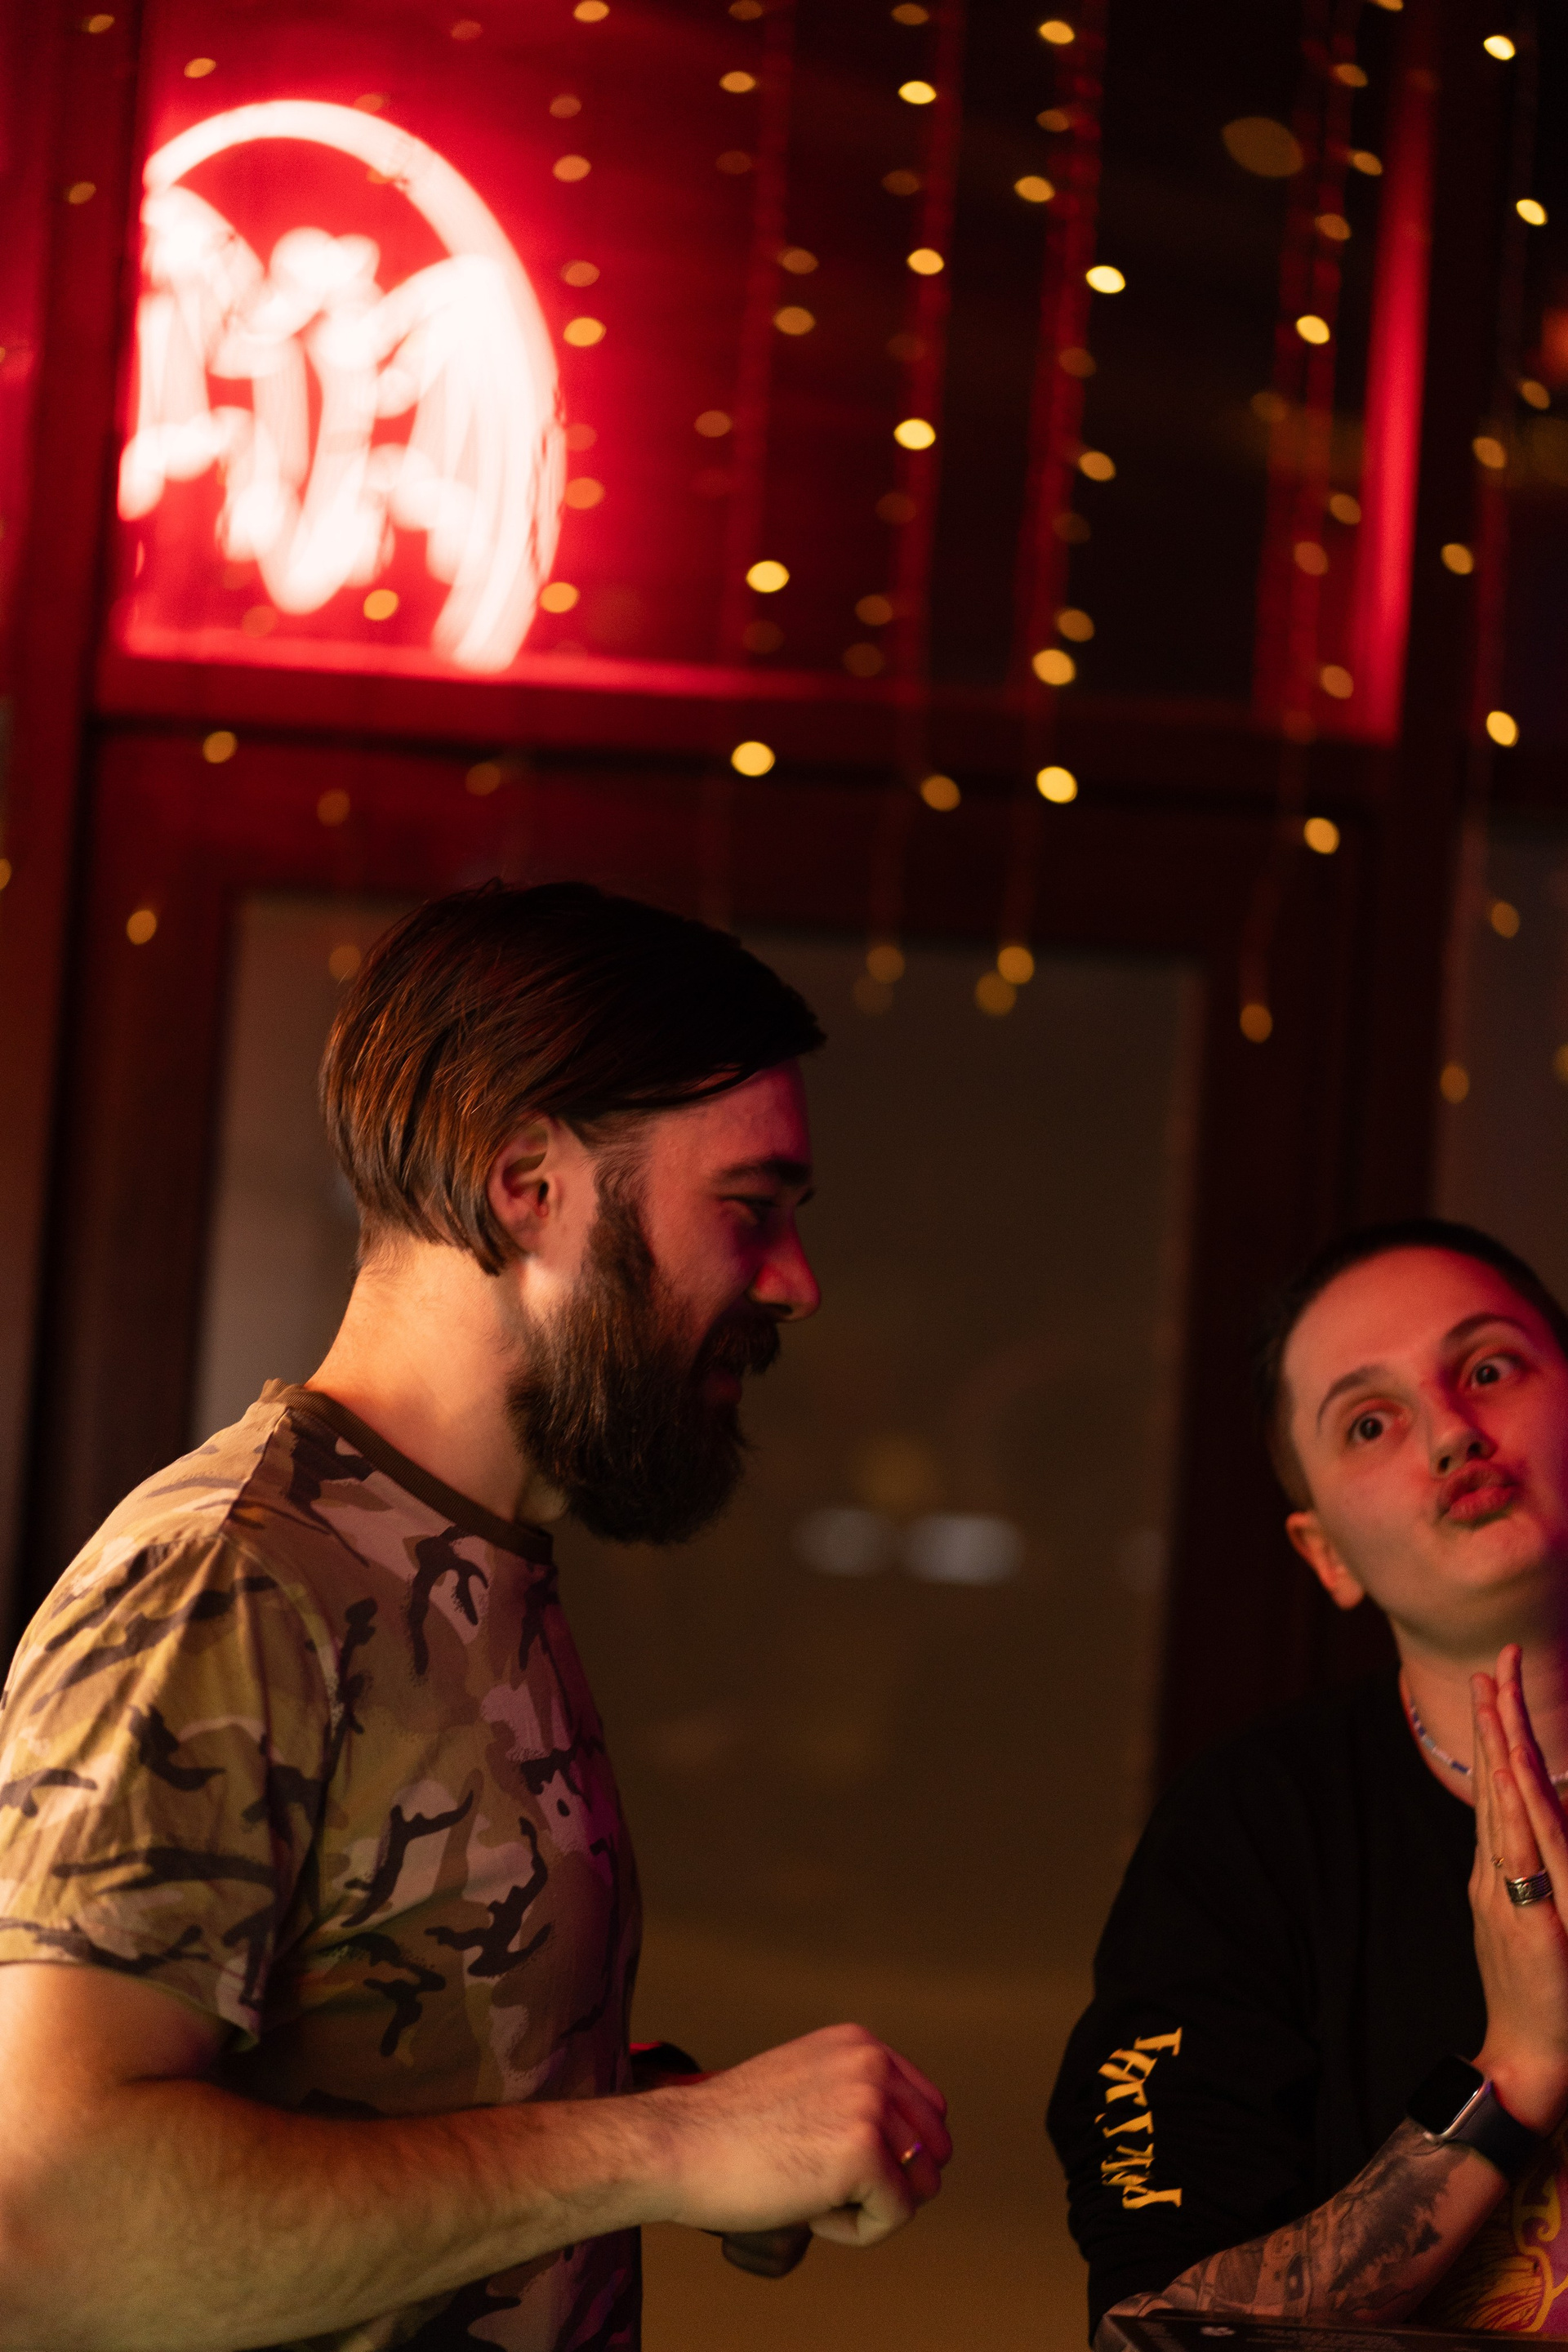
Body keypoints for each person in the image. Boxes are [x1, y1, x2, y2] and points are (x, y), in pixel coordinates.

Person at [0, 883, 950, 2352]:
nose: (797, 1283)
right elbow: (48, 2231)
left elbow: (368, 2058)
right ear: (526, 1187)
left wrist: (674, 2115)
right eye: (748, 1209)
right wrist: (666, 2151)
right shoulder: (229, 1584)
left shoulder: (472, 1556)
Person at [1048, 1216, 1568, 2344]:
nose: (1453, 1433)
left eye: (1489, 1368)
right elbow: (1155, 2329)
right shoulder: (1245, 1838)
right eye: (1371, 1422)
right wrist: (1518, 2068)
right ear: (1325, 1552)